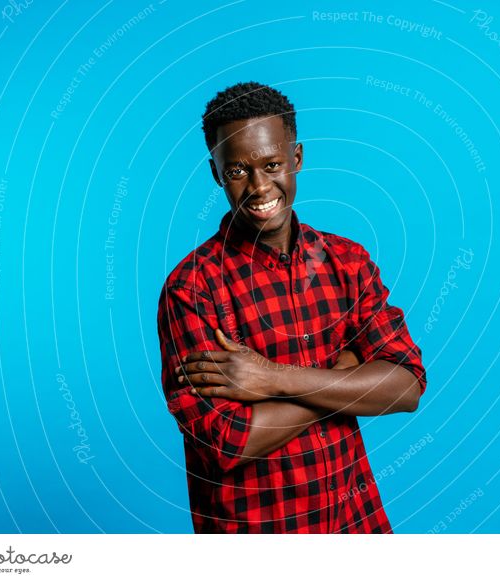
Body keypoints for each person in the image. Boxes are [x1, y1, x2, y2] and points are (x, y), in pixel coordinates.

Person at [156, 81, 427, 533]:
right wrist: (344, 378)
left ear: (296, 159)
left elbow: (405, 387)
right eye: (239, 170)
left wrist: (272, 378)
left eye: (273, 164)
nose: (260, 186)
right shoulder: (192, 290)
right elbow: (227, 441)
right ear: (217, 173)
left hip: (354, 525)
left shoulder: (348, 262)